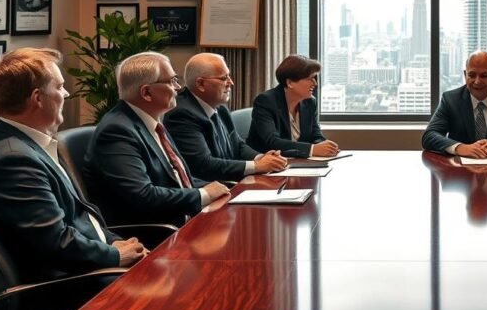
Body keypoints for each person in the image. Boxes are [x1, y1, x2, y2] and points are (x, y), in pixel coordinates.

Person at [0, 49, 147, 310]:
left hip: (91, 265)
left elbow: (80, 217)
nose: (66, 95)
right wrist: (115, 255)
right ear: (38, 98)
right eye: (60, 86)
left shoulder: (29, 145)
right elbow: (56, 243)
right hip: (71, 286)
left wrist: (115, 243)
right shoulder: (13, 159)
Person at [84, 52, 229, 227]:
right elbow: (143, 195)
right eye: (171, 81)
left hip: (185, 219)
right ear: (146, 92)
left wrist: (219, 188)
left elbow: (177, 180)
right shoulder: (116, 131)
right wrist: (203, 194)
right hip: (155, 233)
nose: (178, 88)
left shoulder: (152, 121)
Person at [164, 53, 287, 182]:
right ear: (200, 83)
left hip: (230, 183)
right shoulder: (181, 114)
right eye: (224, 78)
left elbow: (237, 145)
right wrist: (256, 166)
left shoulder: (220, 108)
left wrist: (260, 158)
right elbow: (203, 165)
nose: (231, 83)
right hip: (210, 189)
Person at [247, 54, 340, 158]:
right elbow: (272, 142)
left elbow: (316, 135)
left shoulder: (310, 102)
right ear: (290, 83)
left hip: (298, 163)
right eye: (310, 78)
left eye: (315, 78)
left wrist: (325, 146)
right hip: (267, 163)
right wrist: (312, 149)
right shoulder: (265, 101)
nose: (315, 83)